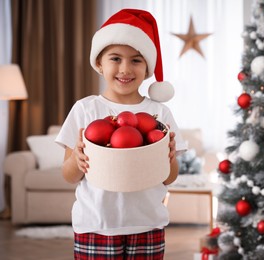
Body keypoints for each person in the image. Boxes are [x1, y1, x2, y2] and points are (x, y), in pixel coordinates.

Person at [55, 9, 187, 259]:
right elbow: (68, 175)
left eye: (136, 60)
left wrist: (168, 158)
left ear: (148, 67)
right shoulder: (86, 109)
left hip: (148, 224)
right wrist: (77, 160)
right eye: (115, 58)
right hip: (96, 225)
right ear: (99, 63)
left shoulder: (160, 113)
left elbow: (169, 178)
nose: (125, 69)